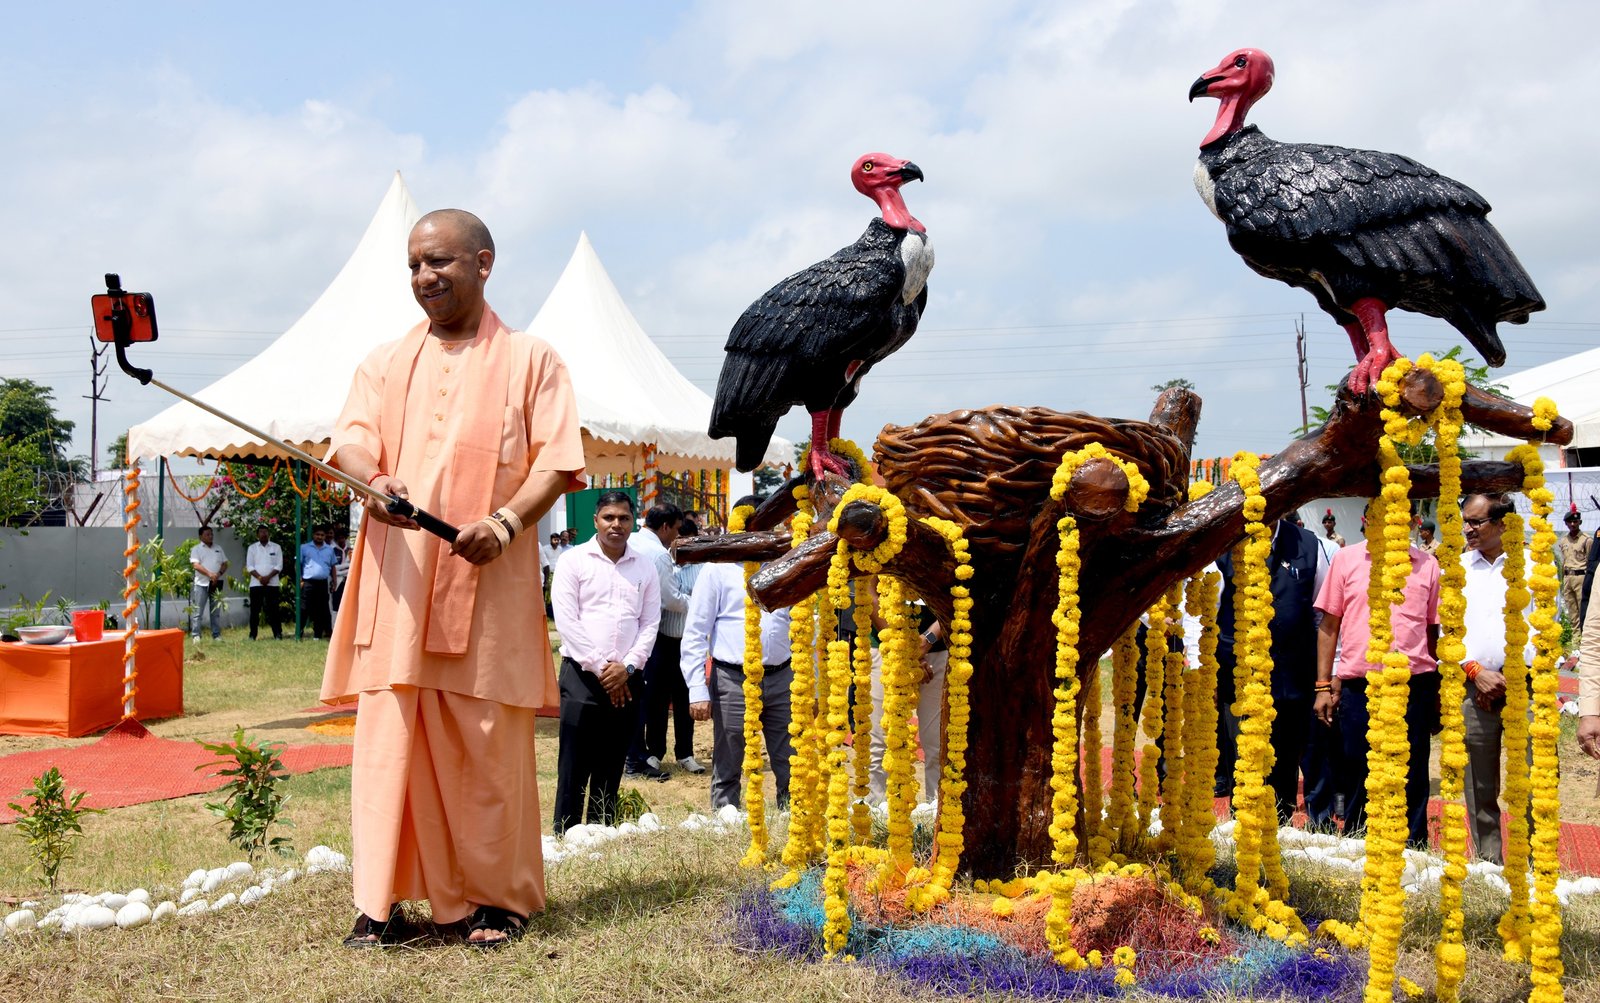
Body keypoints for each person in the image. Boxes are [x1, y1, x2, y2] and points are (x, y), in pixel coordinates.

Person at [320, 208, 585, 948]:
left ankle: (497, 899)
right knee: (390, 739)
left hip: (487, 584)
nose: (423, 277)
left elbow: (558, 461)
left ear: (483, 261)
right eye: (413, 265)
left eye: (438, 261)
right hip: (400, 585)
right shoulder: (382, 361)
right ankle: (381, 904)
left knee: (486, 739)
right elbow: (350, 438)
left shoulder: (534, 358)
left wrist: (503, 524)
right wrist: (372, 479)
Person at [1313, 505, 1440, 847]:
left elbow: (1433, 631)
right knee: (1356, 766)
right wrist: (1324, 684)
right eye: (1381, 518)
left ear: (1412, 523)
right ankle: (1356, 841)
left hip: (1413, 684)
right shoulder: (1346, 559)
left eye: (1399, 519)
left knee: (1411, 771)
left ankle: (1413, 848)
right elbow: (1329, 625)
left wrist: (1437, 691)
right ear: (1367, 521)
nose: (1390, 525)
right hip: (1360, 684)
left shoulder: (1428, 565)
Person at [551, 491, 660, 831]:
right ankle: (566, 836)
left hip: (628, 679)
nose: (616, 524)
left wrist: (626, 669)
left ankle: (601, 834)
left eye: (624, 518)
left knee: (611, 762)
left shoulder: (644, 565)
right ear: (595, 520)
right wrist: (603, 668)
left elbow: (649, 622)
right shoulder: (574, 561)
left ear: (633, 522)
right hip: (582, 677)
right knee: (574, 763)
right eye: (609, 517)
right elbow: (567, 621)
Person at [680, 498, 793, 812]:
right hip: (733, 676)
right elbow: (695, 632)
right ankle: (726, 814)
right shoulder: (718, 570)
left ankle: (791, 817)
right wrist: (696, 690)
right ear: (739, 529)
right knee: (730, 750)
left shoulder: (785, 564)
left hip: (782, 675)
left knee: (789, 754)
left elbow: (801, 625)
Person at [1213, 517, 1327, 822]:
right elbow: (1208, 610)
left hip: (1292, 678)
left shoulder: (1309, 544)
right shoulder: (1224, 539)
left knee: (1285, 764)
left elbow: (1322, 616)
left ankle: (1281, 839)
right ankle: (1244, 847)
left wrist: (1322, 679)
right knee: (1245, 764)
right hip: (1239, 680)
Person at [1459, 493, 1533, 863]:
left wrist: (1507, 676)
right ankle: (1489, 866)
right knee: (1479, 783)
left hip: (1527, 688)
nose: (1467, 528)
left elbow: (1545, 630)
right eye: (1465, 521)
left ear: (1503, 524)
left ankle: (1535, 867)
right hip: (1473, 688)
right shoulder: (1455, 570)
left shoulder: (1532, 566)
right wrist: (1477, 673)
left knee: (1532, 783)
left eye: (1476, 522)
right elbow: (1445, 631)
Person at [624, 503, 685, 781]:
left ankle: (633, 755)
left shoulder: (631, 541)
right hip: (648, 633)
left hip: (625, 629)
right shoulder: (659, 554)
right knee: (640, 695)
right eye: (676, 529)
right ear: (664, 527)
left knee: (631, 695)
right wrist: (697, 603)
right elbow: (669, 599)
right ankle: (635, 759)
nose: (676, 536)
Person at [189, 525, 228, 641]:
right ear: (201, 536)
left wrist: (218, 574)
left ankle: (216, 635)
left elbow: (224, 563)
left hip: (216, 583)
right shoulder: (196, 549)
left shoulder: (218, 548)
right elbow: (196, 565)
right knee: (198, 611)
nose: (210, 536)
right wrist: (210, 574)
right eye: (207, 534)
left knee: (215, 611)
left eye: (211, 534)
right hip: (201, 584)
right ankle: (196, 635)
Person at [245, 525, 284, 641]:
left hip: (273, 584)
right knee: (255, 611)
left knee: (274, 610)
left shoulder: (276, 547)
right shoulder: (252, 548)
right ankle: (253, 635)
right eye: (261, 532)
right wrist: (260, 578)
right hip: (256, 584)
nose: (264, 534)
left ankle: (277, 634)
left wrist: (268, 577)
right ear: (257, 535)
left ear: (269, 534)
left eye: (266, 532)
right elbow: (249, 566)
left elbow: (279, 565)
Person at [299, 526, 336, 640]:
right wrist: (300, 579)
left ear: (325, 536)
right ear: (313, 535)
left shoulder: (329, 549)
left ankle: (318, 634)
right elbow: (298, 565)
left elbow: (333, 566)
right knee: (304, 608)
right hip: (308, 582)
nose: (319, 537)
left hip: (322, 582)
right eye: (317, 534)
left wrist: (334, 581)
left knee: (321, 608)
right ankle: (299, 631)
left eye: (322, 535)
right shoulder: (304, 548)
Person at [1558, 508, 1591, 628]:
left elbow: (1591, 561)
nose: (1572, 524)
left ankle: (1585, 637)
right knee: (1571, 609)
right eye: (1570, 522)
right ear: (1566, 523)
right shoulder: (1563, 541)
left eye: (1575, 522)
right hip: (1568, 577)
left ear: (1580, 523)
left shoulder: (1587, 540)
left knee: (1583, 609)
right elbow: (1563, 560)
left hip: (1581, 577)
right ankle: (1575, 639)